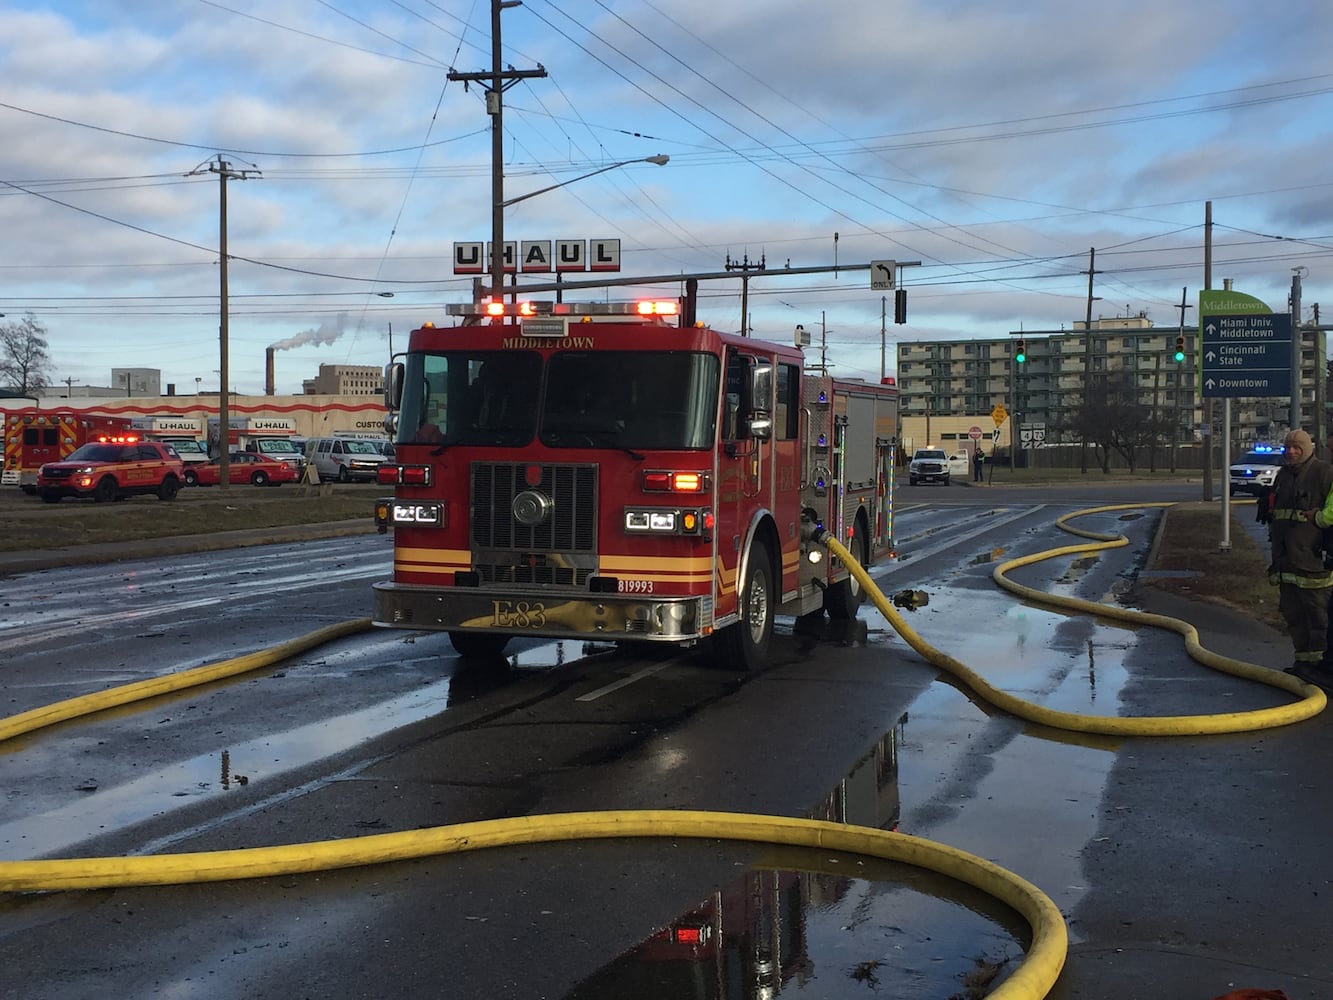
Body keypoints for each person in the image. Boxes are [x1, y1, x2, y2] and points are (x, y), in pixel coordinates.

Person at [1266, 429, 1333, 689]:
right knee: (1293, 615)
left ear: (1308, 448)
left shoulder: (1324, 473)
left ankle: (1320, 668)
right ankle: (1303, 664)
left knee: (1317, 616)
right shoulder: (1283, 475)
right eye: (1288, 447)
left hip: (1312, 561)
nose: (1291, 451)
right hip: (1286, 562)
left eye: (1297, 447)